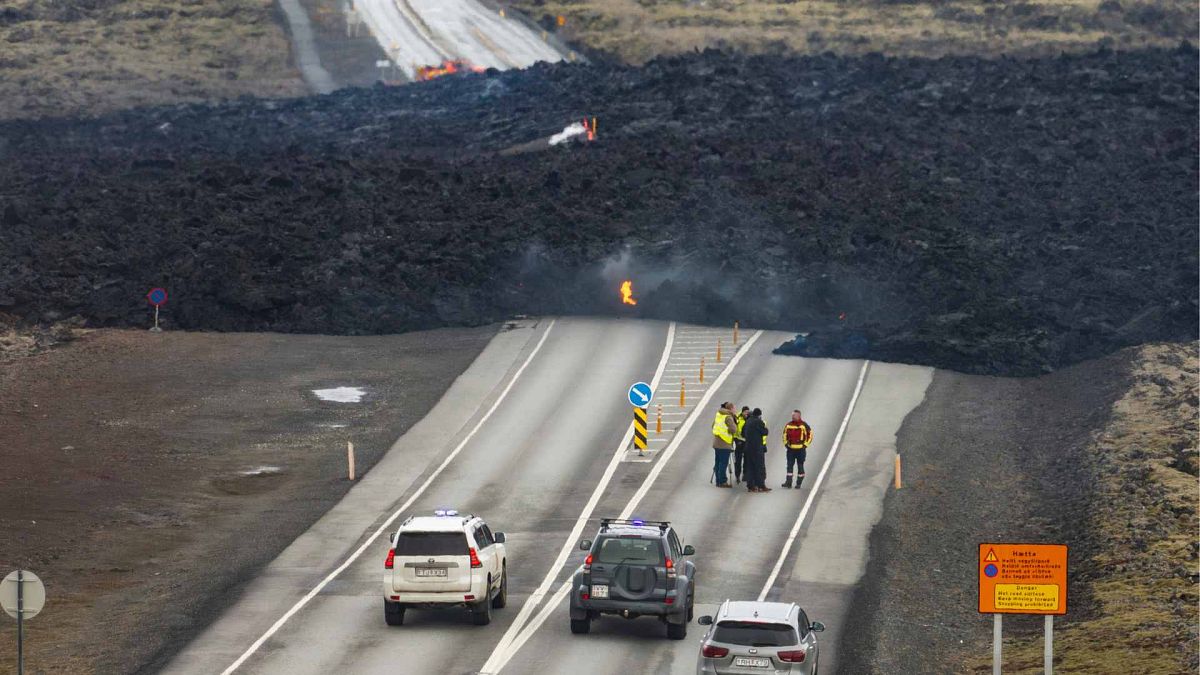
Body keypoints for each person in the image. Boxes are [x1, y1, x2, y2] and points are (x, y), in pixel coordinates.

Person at [782, 409, 813, 489]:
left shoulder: (803, 425)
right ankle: (788, 482)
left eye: (794, 415)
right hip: (791, 450)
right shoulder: (788, 425)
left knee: (800, 466)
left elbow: (810, 435)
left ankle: (798, 483)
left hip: (800, 450)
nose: (792, 417)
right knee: (789, 465)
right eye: (792, 415)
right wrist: (786, 444)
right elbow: (784, 434)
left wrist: (805, 445)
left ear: (799, 416)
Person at [741, 408, 770, 493]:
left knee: (750, 467)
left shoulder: (748, 421)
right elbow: (765, 432)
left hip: (748, 448)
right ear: (759, 415)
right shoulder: (758, 422)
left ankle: (751, 486)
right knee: (759, 467)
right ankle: (761, 485)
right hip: (757, 448)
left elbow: (742, 433)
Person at [710, 402, 737, 488]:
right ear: (731, 409)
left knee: (718, 462)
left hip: (717, 443)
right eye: (734, 408)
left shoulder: (719, 414)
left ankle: (718, 480)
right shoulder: (728, 417)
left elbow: (713, 425)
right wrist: (728, 430)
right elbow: (734, 429)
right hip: (724, 444)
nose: (735, 410)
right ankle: (722, 481)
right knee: (723, 463)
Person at [733, 406, 750, 484]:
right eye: (745, 412)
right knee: (738, 460)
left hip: (747, 442)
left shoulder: (750, 419)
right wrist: (735, 440)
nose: (746, 414)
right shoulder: (737, 418)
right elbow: (734, 429)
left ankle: (745, 474)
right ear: (742, 412)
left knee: (747, 459)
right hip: (739, 441)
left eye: (747, 412)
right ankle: (737, 475)